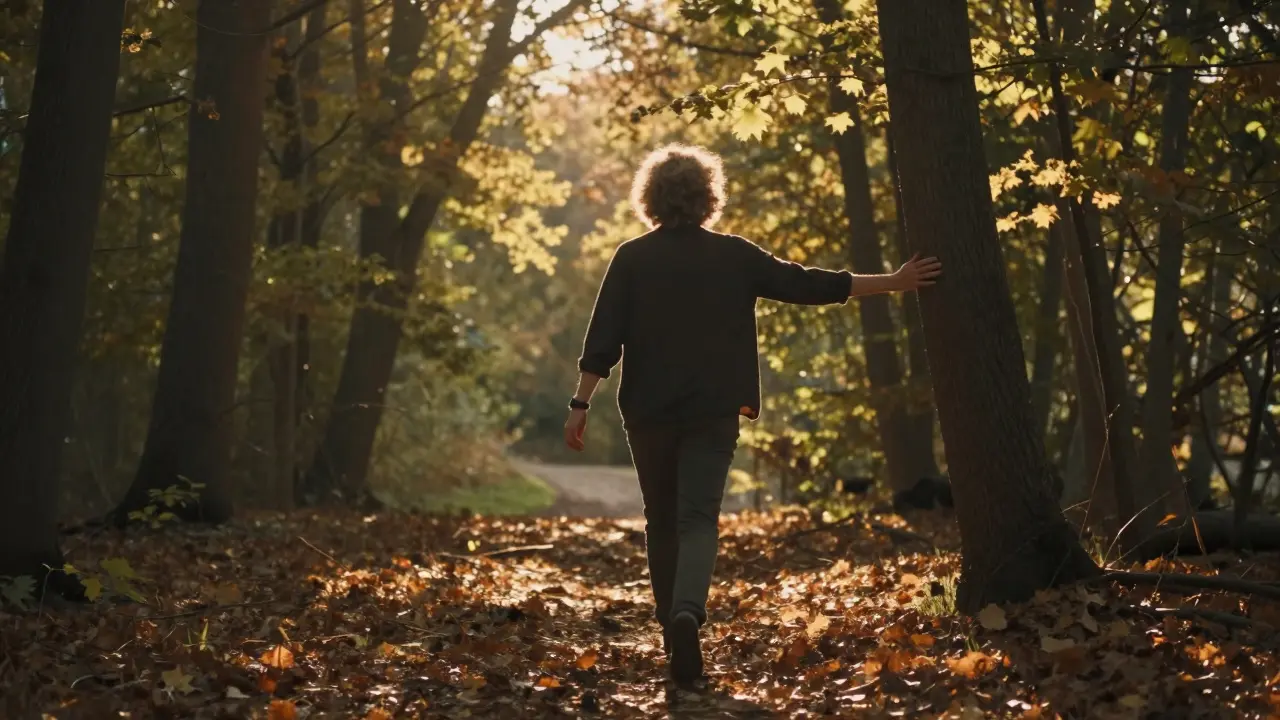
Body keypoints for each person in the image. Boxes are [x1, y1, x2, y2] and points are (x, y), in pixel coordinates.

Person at [562, 144, 941, 687]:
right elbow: (807, 283)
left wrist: (580, 404)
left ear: (650, 198)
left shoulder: (632, 257)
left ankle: (674, 634)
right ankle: (687, 613)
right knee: (698, 519)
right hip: (715, 412)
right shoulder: (734, 255)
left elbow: (603, 340)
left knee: (661, 521)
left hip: (648, 412)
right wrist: (894, 281)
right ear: (708, 197)